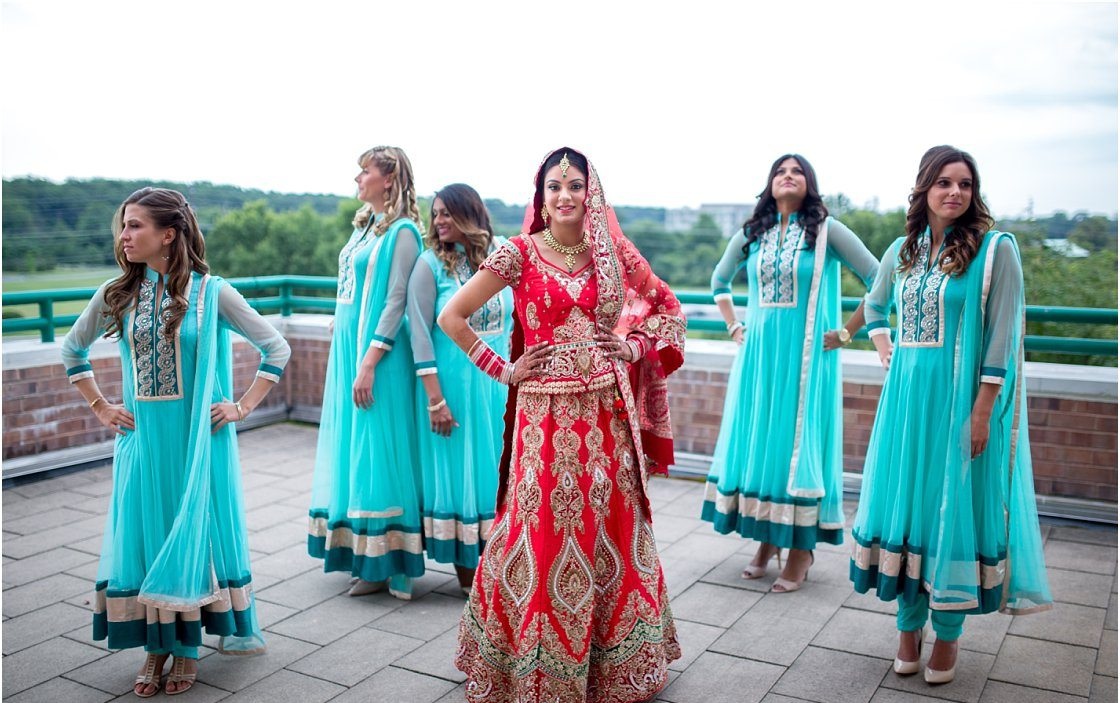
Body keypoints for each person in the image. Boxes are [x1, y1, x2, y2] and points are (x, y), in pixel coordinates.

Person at [440, 147, 685, 702]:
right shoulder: (520, 254)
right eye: (554, 186)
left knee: (608, 527)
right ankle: (532, 666)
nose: (565, 196)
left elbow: (668, 308)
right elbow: (451, 316)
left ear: (590, 193)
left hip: (604, 417)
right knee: (541, 529)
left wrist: (632, 345)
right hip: (542, 421)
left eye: (575, 185)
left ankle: (609, 669)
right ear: (542, 197)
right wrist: (502, 368)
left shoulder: (613, 251)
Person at [61, 187, 289, 697]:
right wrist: (101, 406)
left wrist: (241, 406)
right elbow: (73, 349)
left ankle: (185, 650)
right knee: (147, 538)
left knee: (192, 536)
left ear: (168, 233)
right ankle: (154, 646)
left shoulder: (213, 294)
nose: (124, 236)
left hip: (197, 443)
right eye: (123, 226)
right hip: (141, 443)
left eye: (135, 225)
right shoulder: (117, 294)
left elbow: (276, 347)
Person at [850, 145, 1052, 684]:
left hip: (959, 406)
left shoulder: (994, 250)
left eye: (965, 183)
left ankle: (948, 634)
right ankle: (907, 626)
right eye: (944, 182)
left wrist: (982, 412)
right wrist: (883, 344)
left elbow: (1003, 339)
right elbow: (874, 305)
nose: (955, 192)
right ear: (924, 189)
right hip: (906, 407)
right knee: (909, 511)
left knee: (950, 514)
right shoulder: (904, 250)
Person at [701, 154, 879, 592]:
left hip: (807, 360)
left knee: (798, 445)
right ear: (770, 183)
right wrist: (733, 324)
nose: (788, 176)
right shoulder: (754, 233)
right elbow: (719, 281)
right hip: (760, 358)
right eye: (780, 171)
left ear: (809, 183)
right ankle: (766, 539)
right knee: (764, 442)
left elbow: (880, 278)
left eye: (797, 171)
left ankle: (801, 549)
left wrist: (847, 331)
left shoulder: (826, 232)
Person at [307, 146, 425, 600]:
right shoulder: (365, 228)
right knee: (353, 447)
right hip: (349, 348)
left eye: (365, 171)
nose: (357, 179)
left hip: (380, 357)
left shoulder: (404, 232)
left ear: (389, 178)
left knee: (377, 449)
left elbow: (396, 301)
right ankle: (359, 547)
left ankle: (386, 562)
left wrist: (370, 362)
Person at [407, 183, 513, 594]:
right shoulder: (429, 264)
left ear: (469, 212)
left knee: (499, 472)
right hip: (451, 388)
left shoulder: (502, 252)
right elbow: (419, 333)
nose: (439, 222)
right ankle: (470, 575)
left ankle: (505, 564)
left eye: (447, 213)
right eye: (435, 215)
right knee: (460, 476)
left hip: (498, 387)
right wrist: (436, 400)